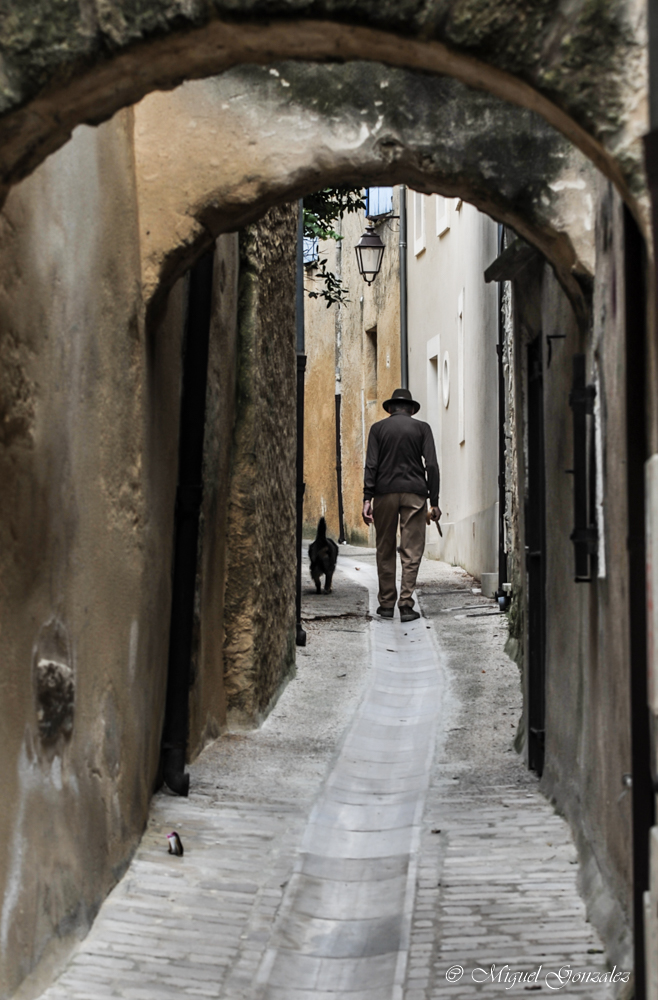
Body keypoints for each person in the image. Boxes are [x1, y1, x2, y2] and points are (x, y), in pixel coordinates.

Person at [362, 387, 441, 622]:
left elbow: (371, 465)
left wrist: (367, 497)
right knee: (411, 549)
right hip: (415, 494)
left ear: (391, 408)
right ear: (410, 409)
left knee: (385, 548)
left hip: (383, 493)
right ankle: (406, 604)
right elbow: (432, 466)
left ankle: (386, 604)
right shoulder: (422, 428)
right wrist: (434, 501)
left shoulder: (377, 429)